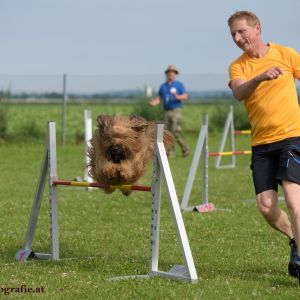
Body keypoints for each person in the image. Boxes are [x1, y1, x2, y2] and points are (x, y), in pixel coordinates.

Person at [228, 10, 300, 278]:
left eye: (242, 31)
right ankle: (295, 239)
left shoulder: (286, 54)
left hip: (292, 137)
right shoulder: (238, 67)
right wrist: (258, 77)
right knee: (266, 206)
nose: (237, 38)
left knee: (294, 199)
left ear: (257, 28)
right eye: (233, 34)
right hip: (261, 144)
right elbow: (238, 92)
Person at [149, 65, 189, 157]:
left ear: (175, 74)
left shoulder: (179, 85)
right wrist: (154, 102)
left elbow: (185, 96)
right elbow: (159, 98)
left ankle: (185, 149)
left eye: (172, 72)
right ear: (166, 74)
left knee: (176, 131)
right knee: (167, 132)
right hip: (166, 111)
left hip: (176, 111)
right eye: (169, 73)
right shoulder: (163, 86)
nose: (170, 74)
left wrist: (177, 96)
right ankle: (170, 152)